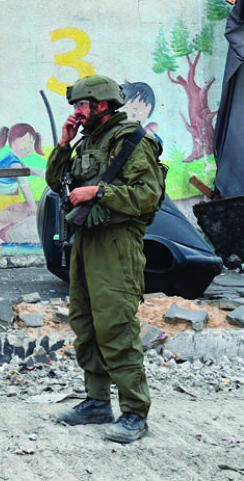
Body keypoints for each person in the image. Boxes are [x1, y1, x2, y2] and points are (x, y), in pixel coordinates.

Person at [46, 75, 165, 443]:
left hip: (116, 243)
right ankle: (97, 402)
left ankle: (134, 413)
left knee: (116, 326)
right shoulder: (87, 142)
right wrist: (64, 145)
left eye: (81, 106)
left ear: (101, 104)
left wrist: (100, 191)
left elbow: (149, 195)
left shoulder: (132, 140)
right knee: (85, 322)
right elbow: (55, 182)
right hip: (86, 241)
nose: (76, 113)